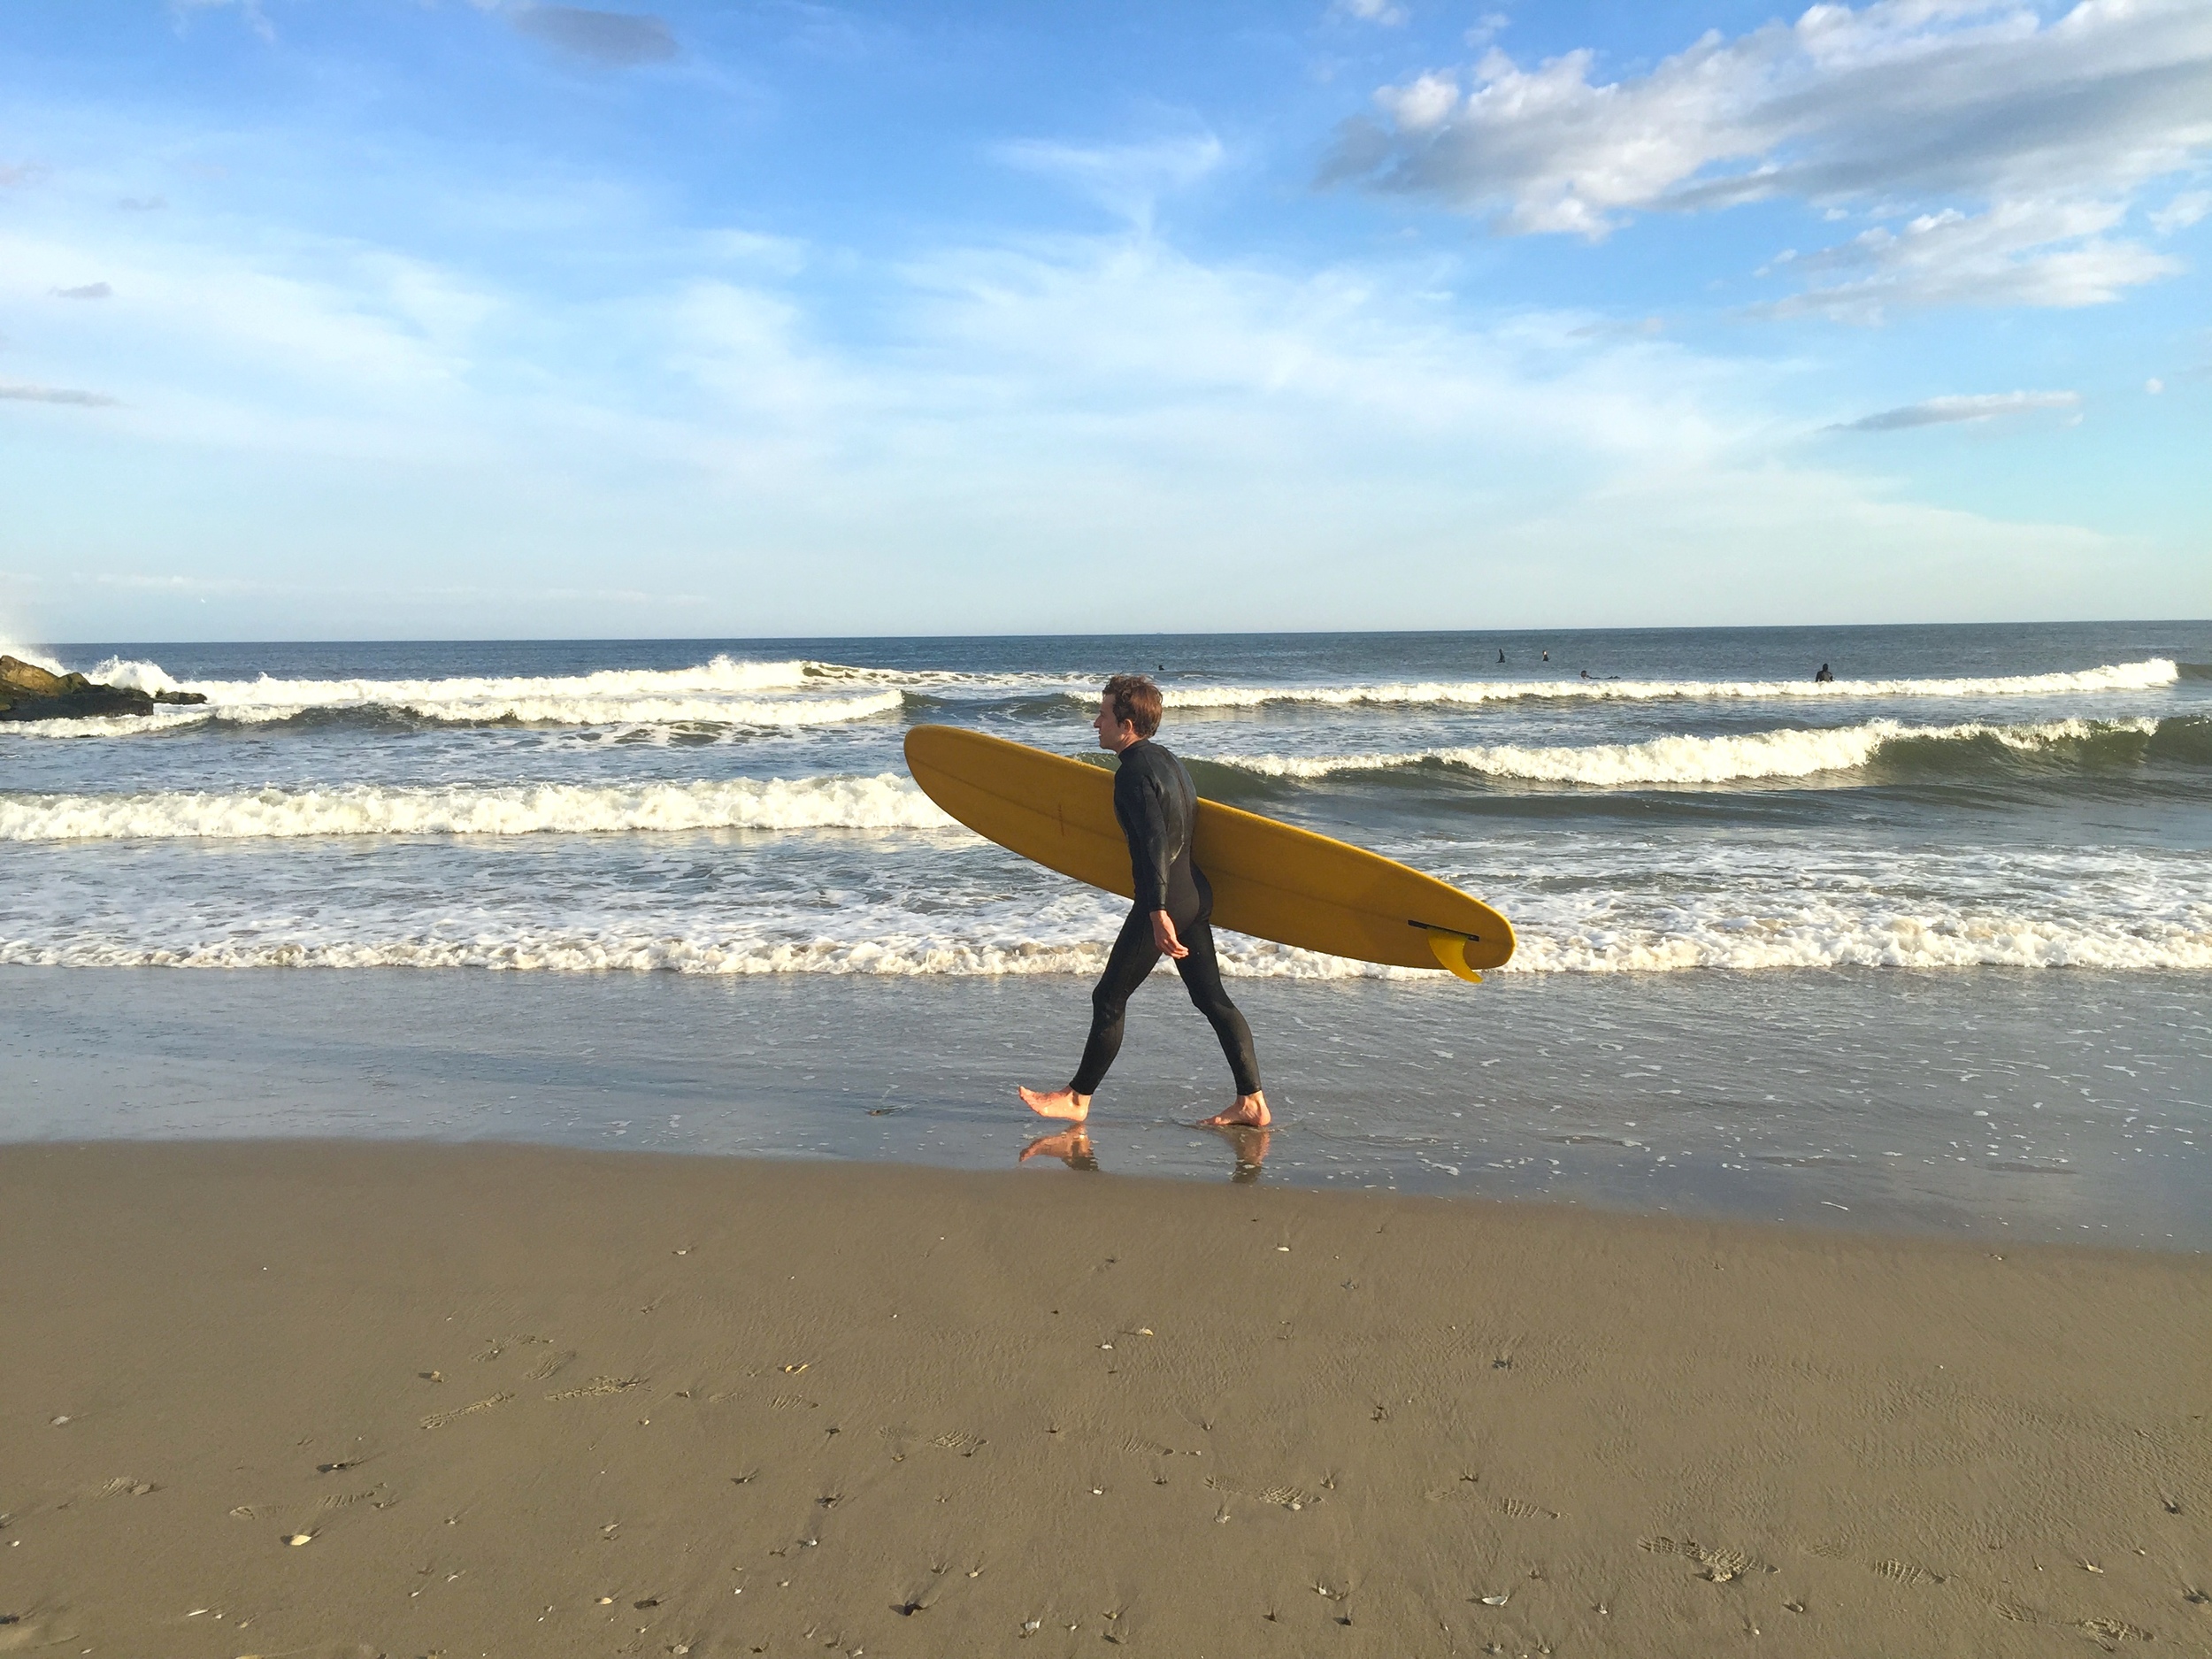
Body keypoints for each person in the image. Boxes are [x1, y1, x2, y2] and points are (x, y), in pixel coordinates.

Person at [1018, 674, 1270, 1130]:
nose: (1096, 723)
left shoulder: (1132, 773)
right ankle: (1252, 1101)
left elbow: (1154, 842)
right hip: (1193, 892)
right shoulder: (1168, 761)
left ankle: (1077, 1098)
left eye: (1104, 714)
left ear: (1127, 723)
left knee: (1109, 997)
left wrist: (1156, 912)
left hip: (1167, 901)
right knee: (1212, 999)